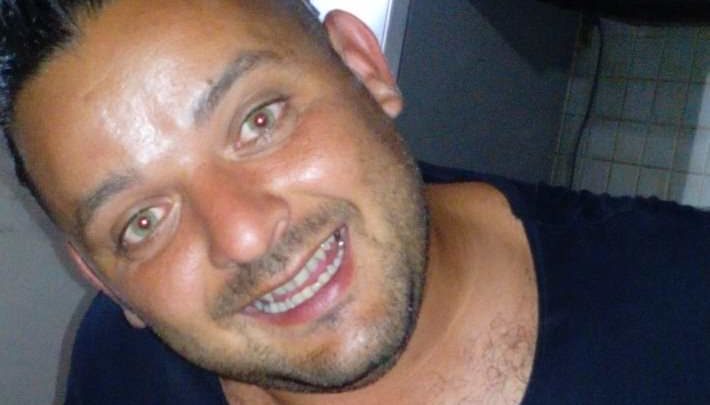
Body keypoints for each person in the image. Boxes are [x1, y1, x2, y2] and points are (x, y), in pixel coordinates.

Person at [1, 0, 708, 404]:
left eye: (258, 119)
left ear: (362, 67)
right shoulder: (118, 370)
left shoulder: (685, 312)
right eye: (142, 222)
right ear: (102, 279)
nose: (244, 235)